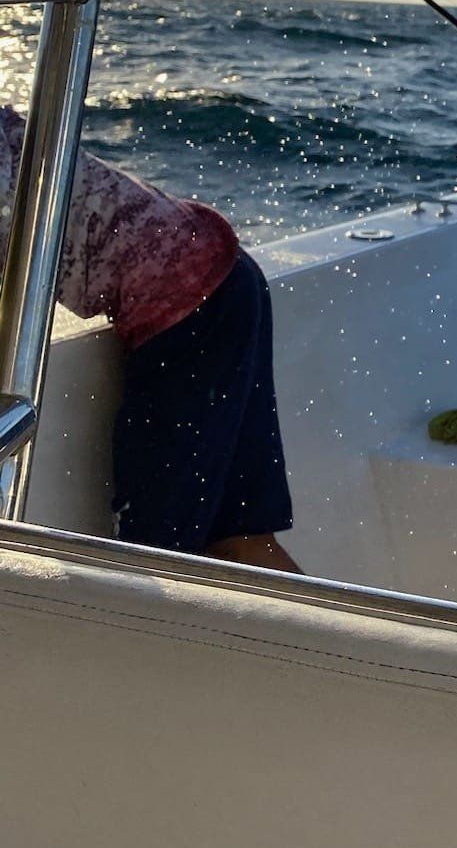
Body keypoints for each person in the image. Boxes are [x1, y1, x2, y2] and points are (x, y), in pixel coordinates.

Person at [0, 107, 299, 572]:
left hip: (186, 307)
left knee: (152, 561)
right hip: (230, 280)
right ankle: (359, 646)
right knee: (243, 543)